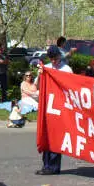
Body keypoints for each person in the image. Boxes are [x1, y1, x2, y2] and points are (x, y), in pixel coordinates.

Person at [35, 45, 73, 175]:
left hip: (60, 106)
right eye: (51, 59)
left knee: (57, 136)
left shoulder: (66, 69)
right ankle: (46, 165)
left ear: (59, 57)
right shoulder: (46, 68)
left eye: (55, 58)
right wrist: (40, 75)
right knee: (47, 134)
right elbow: (37, 86)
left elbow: (71, 86)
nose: (53, 61)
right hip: (48, 106)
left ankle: (54, 166)